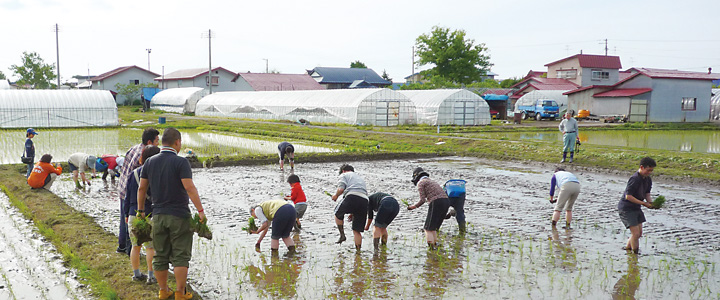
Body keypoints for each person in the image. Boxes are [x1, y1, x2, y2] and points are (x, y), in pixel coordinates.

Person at [137, 127, 205, 300]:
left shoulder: (150, 162)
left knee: (160, 255)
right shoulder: (181, 162)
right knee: (181, 256)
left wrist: (140, 211)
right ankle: (180, 293)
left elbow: (142, 188)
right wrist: (201, 211)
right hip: (179, 215)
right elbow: (189, 188)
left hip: (158, 215)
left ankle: (163, 290)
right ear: (177, 142)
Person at [117, 128, 160, 255]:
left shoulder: (134, 148)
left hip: (123, 187)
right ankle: (130, 249)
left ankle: (123, 247)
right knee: (133, 223)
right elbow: (141, 181)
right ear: (149, 142)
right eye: (157, 141)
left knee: (125, 220)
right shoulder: (144, 157)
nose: (158, 143)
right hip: (132, 191)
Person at [124, 146, 160, 284]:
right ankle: (151, 276)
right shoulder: (155, 175)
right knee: (151, 247)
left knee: (135, 246)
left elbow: (127, 197)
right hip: (150, 213)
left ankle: (136, 274)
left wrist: (126, 213)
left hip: (134, 213)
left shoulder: (132, 174)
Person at [618, 157, 657, 254]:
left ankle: (628, 249)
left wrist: (651, 203)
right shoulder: (634, 179)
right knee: (635, 234)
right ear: (642, 167)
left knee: (639, 234)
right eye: (648, 170)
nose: (649, 172)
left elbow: (647, 193)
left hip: (636, 207)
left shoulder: (648, 179)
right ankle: (635, 255)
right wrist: (644, 203)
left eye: (651, 171)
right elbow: (628, 196)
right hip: (626, 208)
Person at [408, 167, 450, 249]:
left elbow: (422, 200)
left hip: (436, 202)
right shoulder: (432, 181)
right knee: (433, 227)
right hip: (446, 201)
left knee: (427, 228)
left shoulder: (421, 183)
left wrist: (413, 206)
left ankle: (431, 248)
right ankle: (435, 245)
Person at [331, 164, 369, 251]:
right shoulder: (359, 178)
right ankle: (358, 252)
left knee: (337, 213)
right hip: (364, 200)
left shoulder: (344, 175)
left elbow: (341, 189)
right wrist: (352, 212)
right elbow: (360, 195)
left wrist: (336, 196)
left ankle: (342, 235)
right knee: (357, 230)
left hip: (352, 196)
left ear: (343, 171)